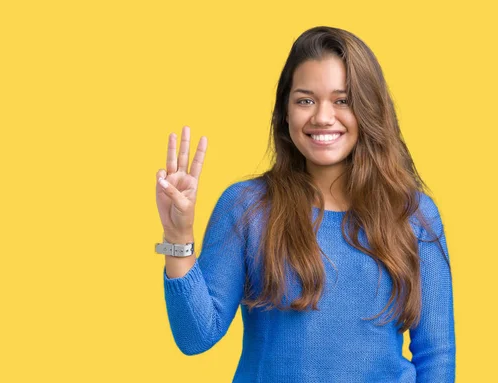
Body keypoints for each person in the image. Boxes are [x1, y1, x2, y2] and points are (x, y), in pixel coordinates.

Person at [154, 26, 455, 382]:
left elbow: (436, 356)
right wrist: (178, 234)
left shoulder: (414, 214)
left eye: (342, 100)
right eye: (305, 100)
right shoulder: (247, 207)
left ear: (369, 108)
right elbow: (196, 336)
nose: (322, 117)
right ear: (285, 112)